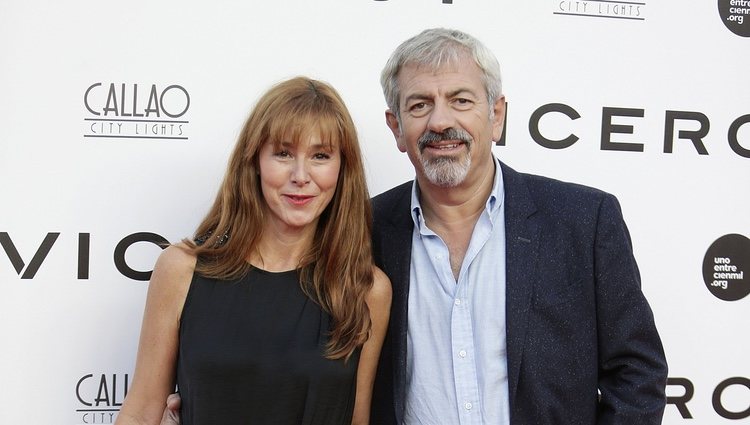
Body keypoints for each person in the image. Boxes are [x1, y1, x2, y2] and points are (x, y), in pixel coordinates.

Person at [159, 28, 668, 425]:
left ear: (497, 116)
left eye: (461, 100)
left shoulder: (582, 220)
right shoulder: (358, 234)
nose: (440, 121)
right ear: (396, 128)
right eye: (419, 104)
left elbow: (636, 374)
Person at [115, 76, 391, 425]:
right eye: (283, 153)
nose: (301, 175)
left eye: (320, 155)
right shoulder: (181, 270)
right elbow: (141, 413)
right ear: (255, 160)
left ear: (342, 169)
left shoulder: (366, 290)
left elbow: (357, 420)